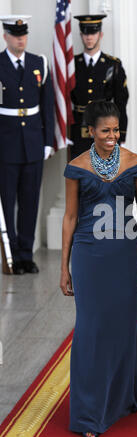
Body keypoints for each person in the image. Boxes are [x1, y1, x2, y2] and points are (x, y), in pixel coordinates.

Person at [60, 99, 137, 437]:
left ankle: (127, 393)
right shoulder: (76, 166)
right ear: (90, 130)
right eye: (105, 131)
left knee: (124, 324)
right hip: (89, 255)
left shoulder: (135, 163)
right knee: (91, 328)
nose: (112, 136)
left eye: (116, 130)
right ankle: (90, 413)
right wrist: (63, 267)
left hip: (125, 254)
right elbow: (70, 217)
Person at [0, 15, 54, 274]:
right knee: (7, 202)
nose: (20, 38)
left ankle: (25, 255)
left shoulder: (38, 63)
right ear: (5, 37)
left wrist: (47, 141)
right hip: (6, 144)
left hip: (32, 141)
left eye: (23, 33)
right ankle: (11, 256)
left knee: (30, 200)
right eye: (15, 33)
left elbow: (47, 105)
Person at [70, 15, 129, 160]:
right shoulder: (72, 65)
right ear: (81, 35)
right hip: (79, 127)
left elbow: (121, 102)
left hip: (106, 127)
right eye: (85, 33)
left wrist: (120, 132)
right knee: (81, 173)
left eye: (93, 33)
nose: (89, 37)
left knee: (106, 174)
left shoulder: (113, 65)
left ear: (100, 35)